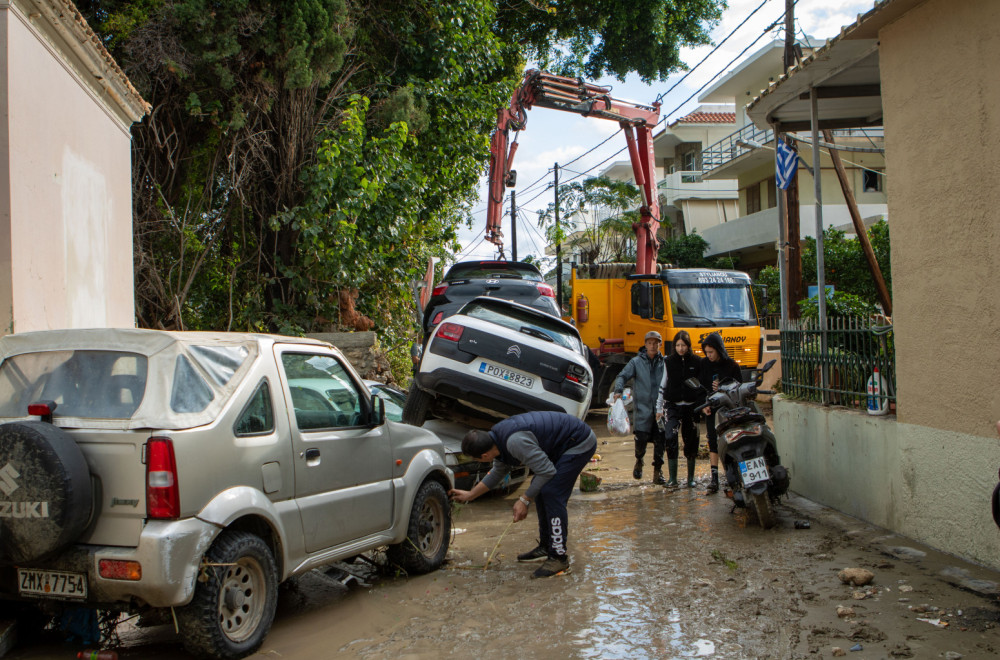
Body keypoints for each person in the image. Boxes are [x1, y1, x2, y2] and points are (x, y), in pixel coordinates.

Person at [449, 411, 597, 579]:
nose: (479, 462)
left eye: (477, 459)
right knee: (541, 488)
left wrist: (524, 500)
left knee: (552, 493)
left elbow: (547, 471)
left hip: (578, 442)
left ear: (484, 456)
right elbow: (498, 472)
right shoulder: (496, 440)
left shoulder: (514, 442)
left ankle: (559, 557)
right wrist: (470, 495)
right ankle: (547, 546)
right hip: (561, 444)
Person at [613, 330, 667, 485]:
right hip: (642, 410)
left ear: (660, 344)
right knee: (641, 440)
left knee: (660, 441)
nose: (652, 346)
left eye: (655, 343)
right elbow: (622, 376)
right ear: (645, 345)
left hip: (660, 411)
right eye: (649, 343)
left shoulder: (664, 363)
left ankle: (658, 471)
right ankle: (639, 460)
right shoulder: (636, 362)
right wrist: (618, 390)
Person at [656, 331, 702, 489]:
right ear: (674, 346)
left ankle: (690, 479)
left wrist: (702, 405)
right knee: (670, 437)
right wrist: (659, 407)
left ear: (688, 346)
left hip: (691, 407)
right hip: (672, 406)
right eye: (678, 345)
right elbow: (663, 384)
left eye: (683, 345)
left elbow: (702, 386)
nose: (681, 348)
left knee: (691, 441)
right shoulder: (668, 361)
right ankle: (673, 478)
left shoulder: (697, 361)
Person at [698, 332, 742, 493]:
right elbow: (700, 387)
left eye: (711, 352)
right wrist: (704, 404)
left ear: (719, 349)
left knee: (732, 440)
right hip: (711, 408)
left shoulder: (732, 366)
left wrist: (723, 386)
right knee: (712, 441)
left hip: (730, 410)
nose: (708, 355)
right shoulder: (703, 364)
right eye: (706, 352)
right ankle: (714, 478)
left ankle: (734, 474)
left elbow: (739, 388)